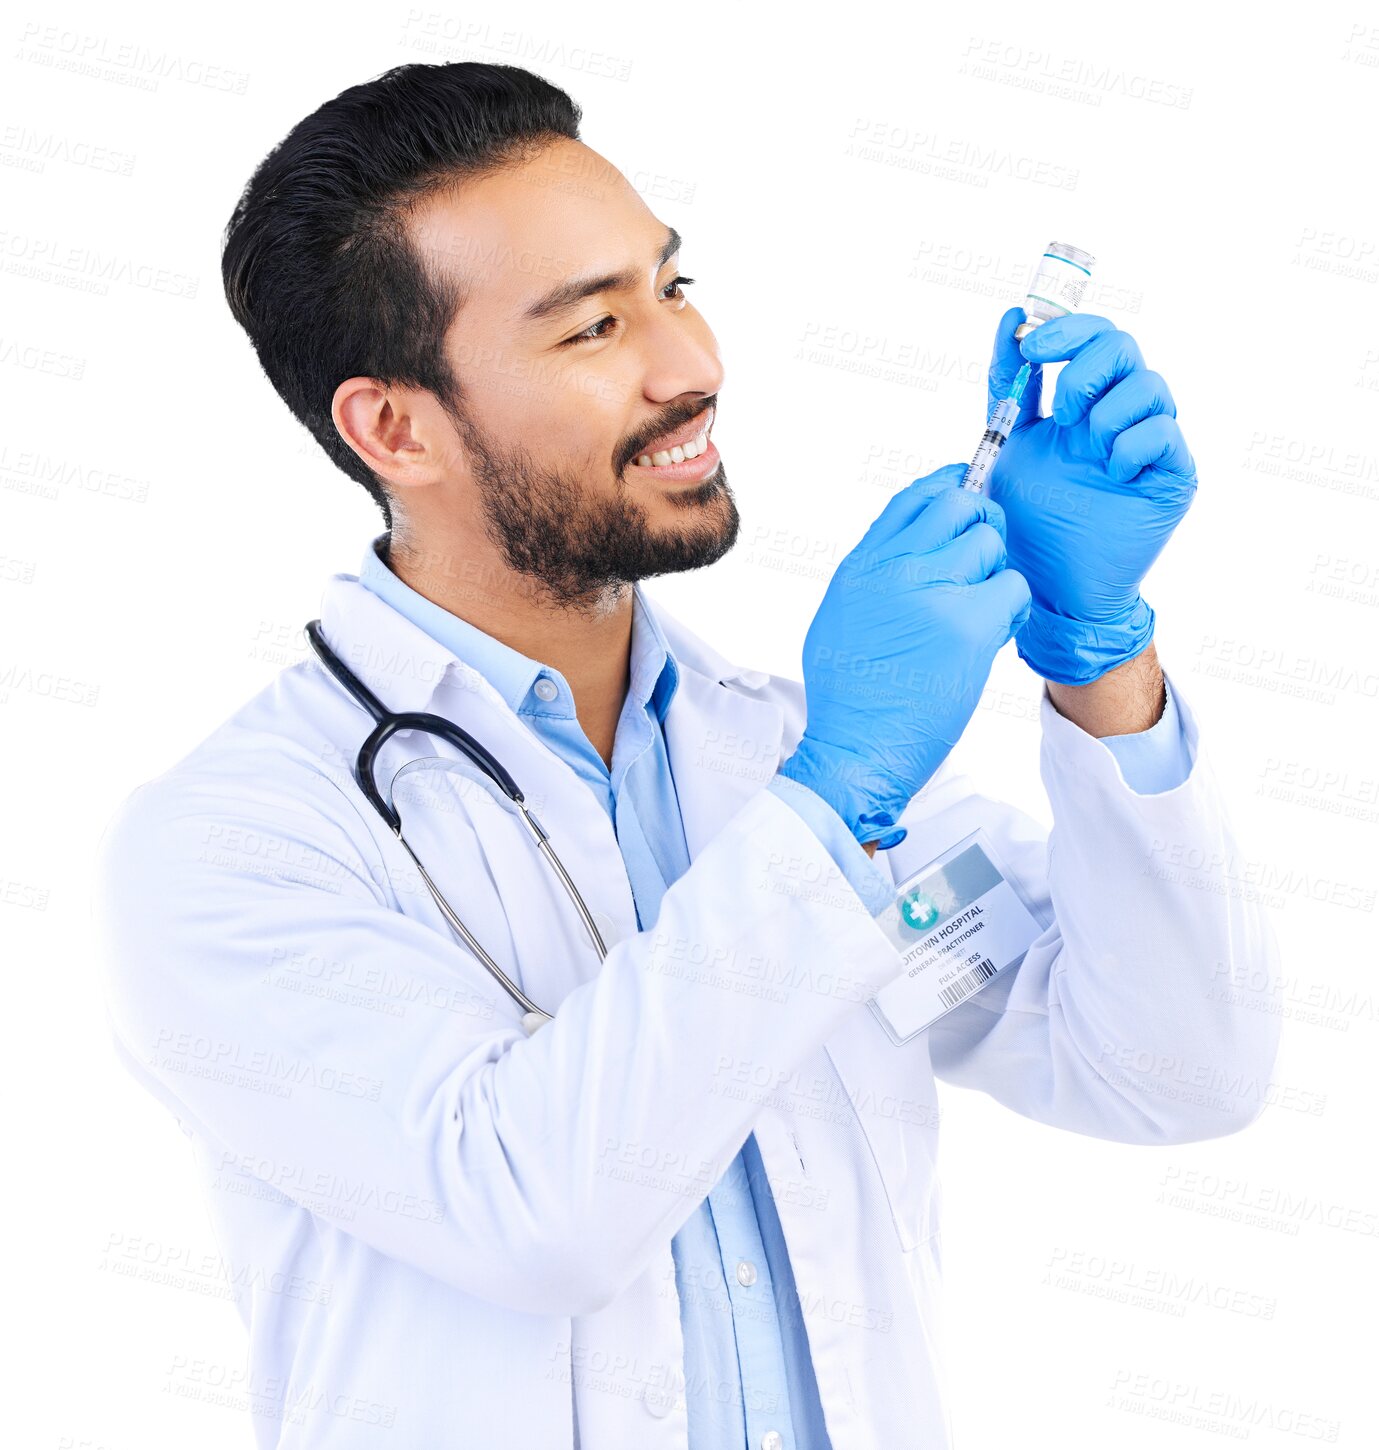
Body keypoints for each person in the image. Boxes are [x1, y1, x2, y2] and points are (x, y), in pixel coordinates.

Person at [93, 61, 1282, 1450]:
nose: (690, 365)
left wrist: (1101, 658)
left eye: (672, 284)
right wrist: (836, 802)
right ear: (393, 426)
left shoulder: (771, 749)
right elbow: (532, 1210)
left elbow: (1175, 1068)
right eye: (595, 326)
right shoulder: (234, 839)